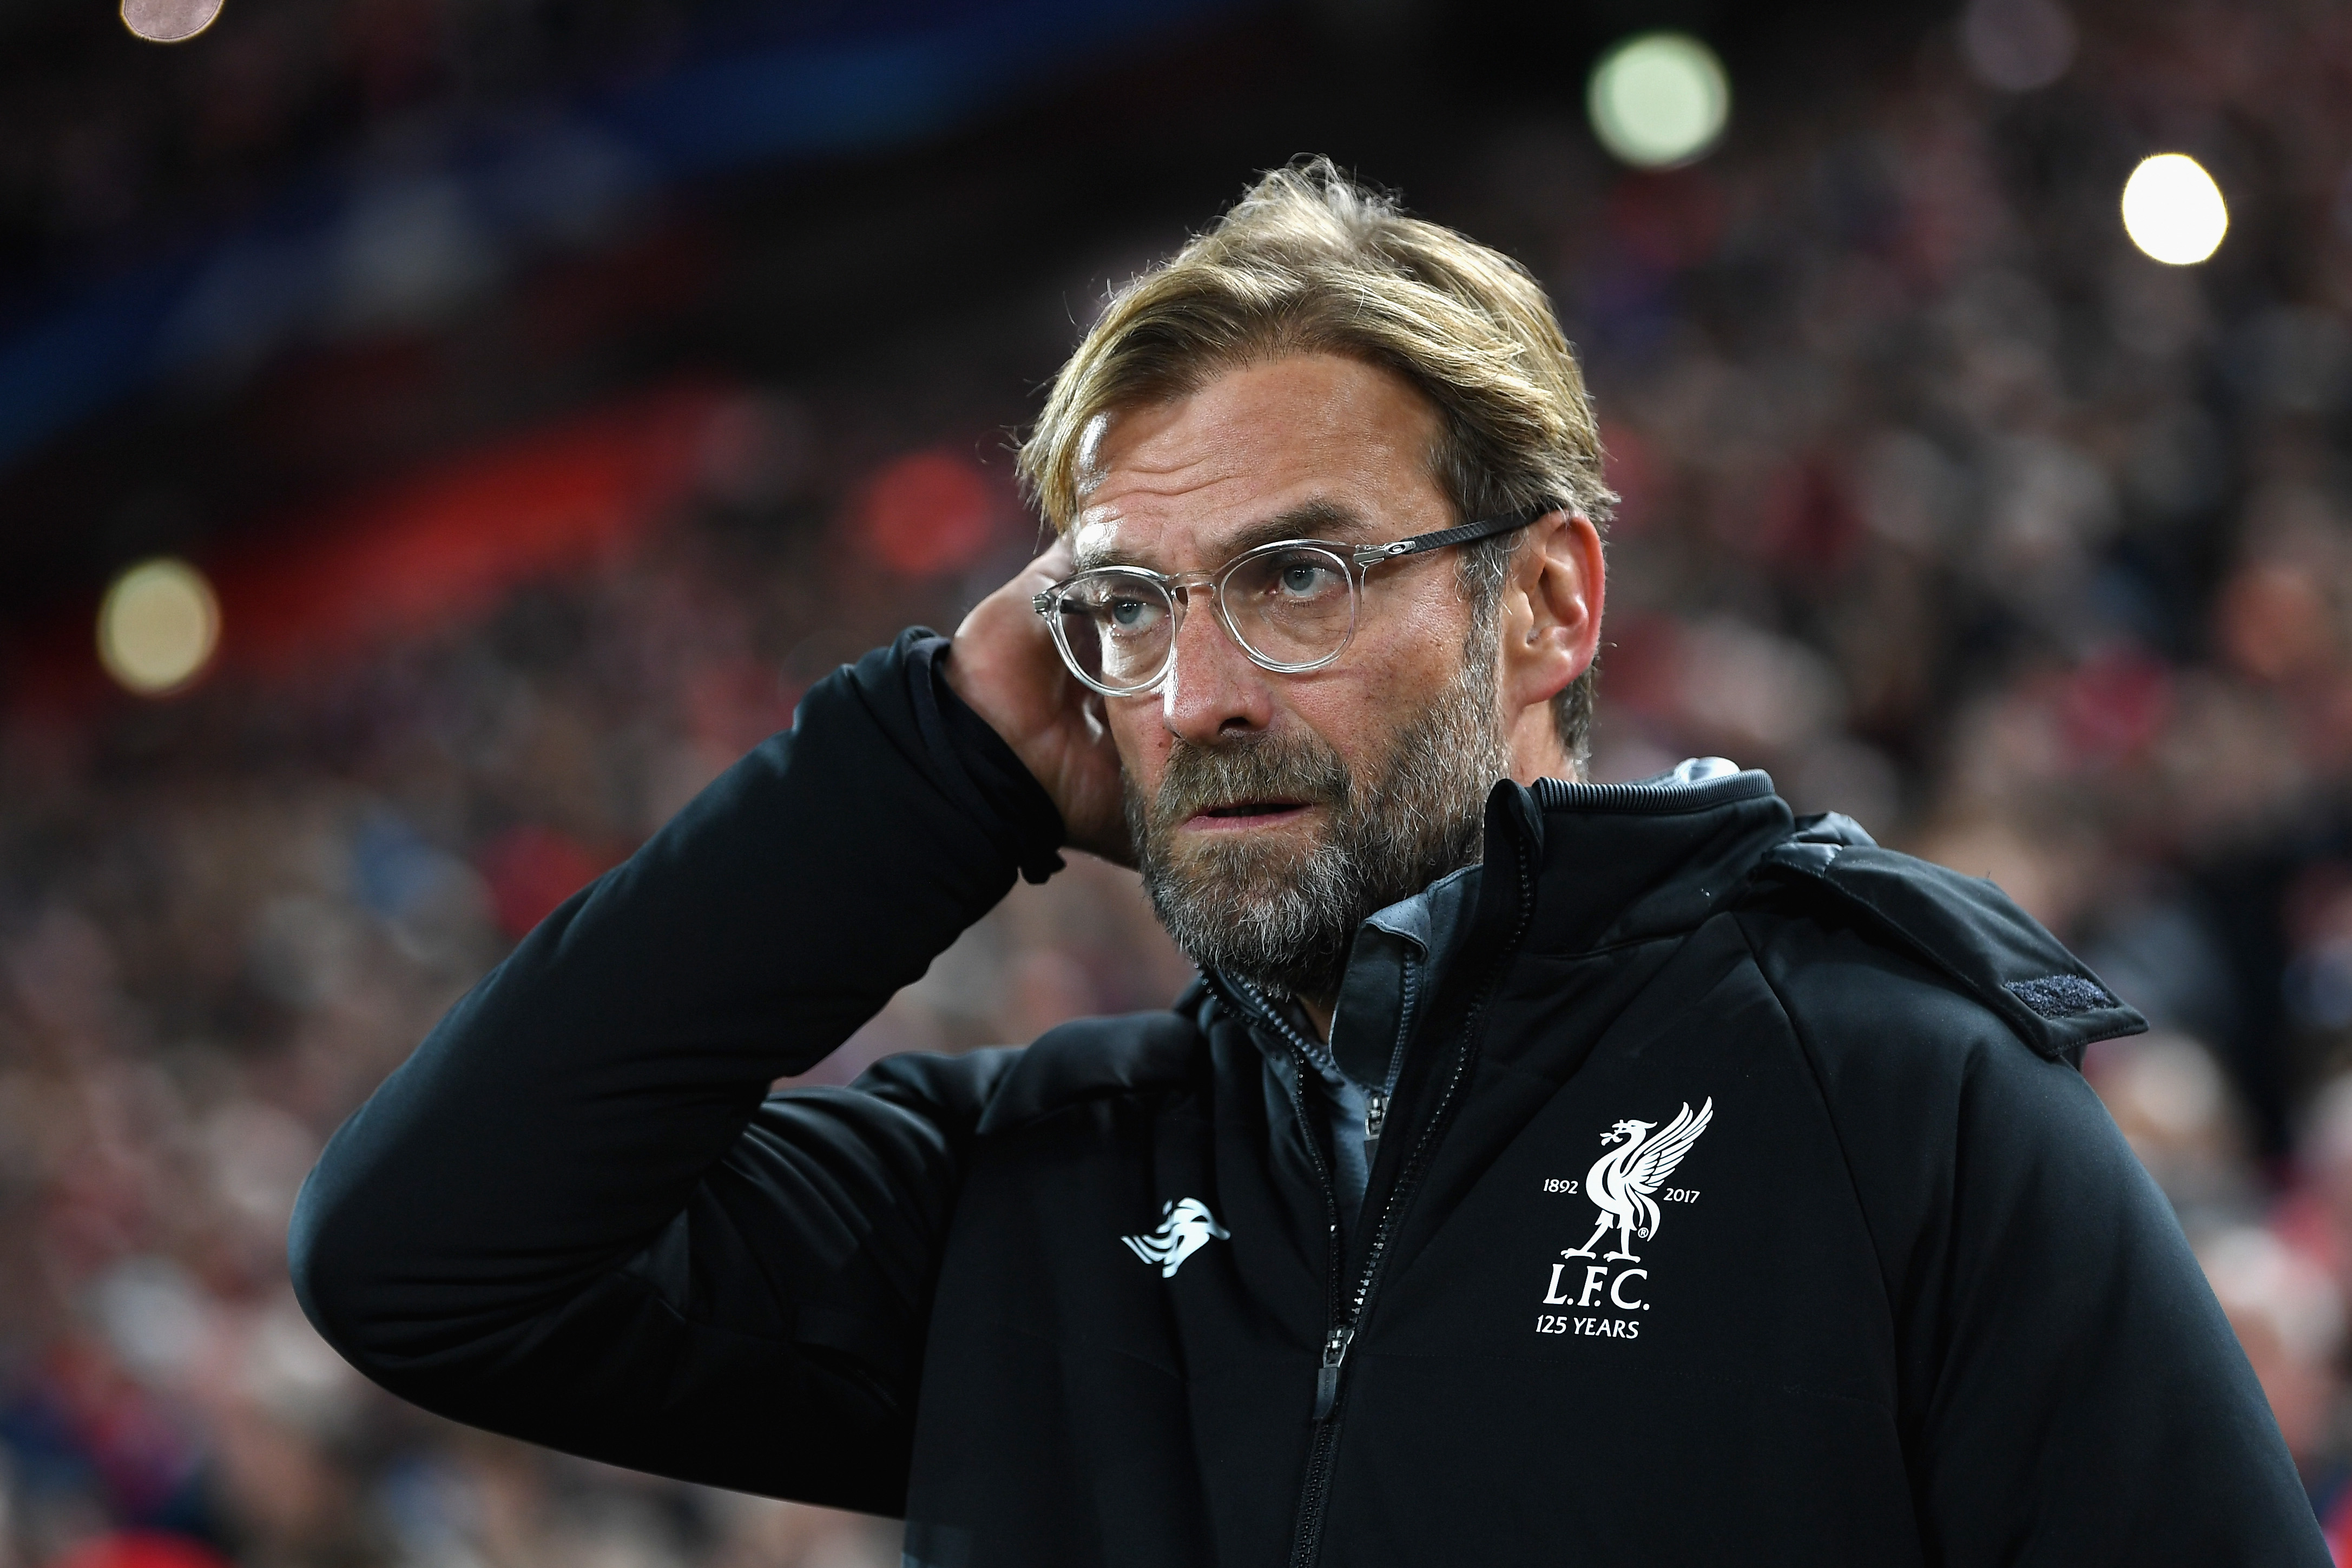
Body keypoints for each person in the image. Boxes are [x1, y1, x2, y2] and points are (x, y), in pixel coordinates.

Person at [288, 161, 2327, 1566]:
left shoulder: (1892, 1091)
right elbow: (428, 1256)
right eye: (1128, 609)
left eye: (1298, 574)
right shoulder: (1042, 1182)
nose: (1195, 691)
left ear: (1545, 601)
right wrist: (929, 764)